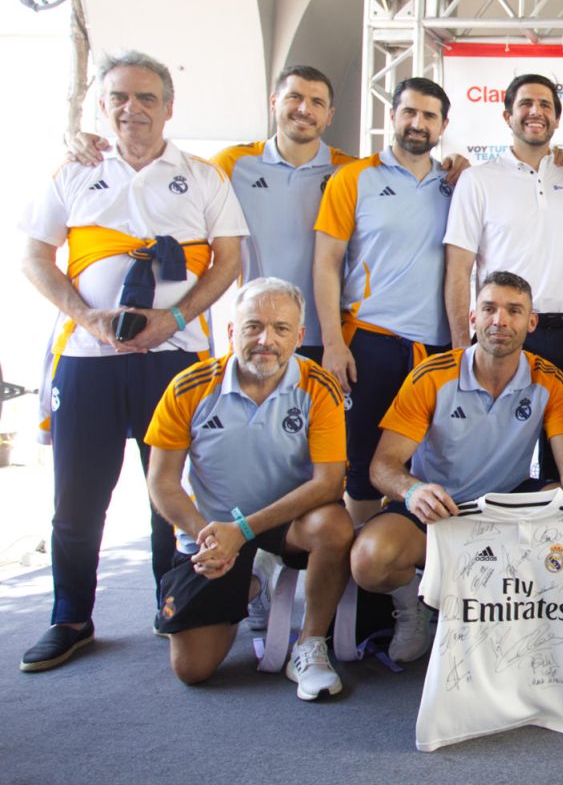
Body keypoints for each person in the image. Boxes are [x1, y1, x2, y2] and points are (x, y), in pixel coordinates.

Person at [19, 51, 247, 672]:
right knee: (78, 497)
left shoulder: (201, 177)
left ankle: (169, 599)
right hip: (88, 357)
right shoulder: (74, 171)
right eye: (120, 97)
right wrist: (85, 316)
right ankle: (70, 616)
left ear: (169, 108)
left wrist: (171, 321)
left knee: (167, 491)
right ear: (102, 105)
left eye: (147, 98)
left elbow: (228, 261)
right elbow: (36, 257)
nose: (133, 109)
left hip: (174, 358)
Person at [350, 271, 563, 663]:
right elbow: (383, 467)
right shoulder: (432, 376)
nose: (500, 321)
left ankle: (534, 615)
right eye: (489, 309)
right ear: (473, 318)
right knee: (369, 560)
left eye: (514, 311)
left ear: (531, 322)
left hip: (506, 508)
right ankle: (414, 606)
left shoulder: (550, 379)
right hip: (437, 511)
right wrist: (413, 490)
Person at [142, 278, 353, 698]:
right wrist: (211, 534)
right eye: (253, 326)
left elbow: (328, 482)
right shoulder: (190, 386)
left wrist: (244, 531)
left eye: (280, 328)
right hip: (213, 532)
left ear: (299, 336)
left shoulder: (319, 386)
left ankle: (309, 645)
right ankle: (253, 579)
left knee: (335, 526)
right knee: (193, 669)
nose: (265, 340)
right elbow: (162, 482)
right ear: (232, 332)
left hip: (285, 523)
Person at [67, 65, 354, 362]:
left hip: (330, 335)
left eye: (317, 102)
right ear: (273, 103)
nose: (304, 109)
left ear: (329, 115)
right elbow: (164, 179)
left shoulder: (350, 172)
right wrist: (85, 143)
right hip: (256, 333)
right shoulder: (233, 163)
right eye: (294, 97)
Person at [313, 77, 455, 523]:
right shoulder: (353, 178)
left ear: (443, 125)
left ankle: (403, 567)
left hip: (433, 350)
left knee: (419, 468)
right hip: (369, 343)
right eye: (409, 112)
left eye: (429, 115)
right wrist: (334, 344)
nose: (418, 123)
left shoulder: (457, 184)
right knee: (361, 466)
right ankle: (363, 579)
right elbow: (325, 265)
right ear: (392, 116)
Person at [444, 74, 563, 482]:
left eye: (546, 105)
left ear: (557, 119)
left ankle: (556, 543)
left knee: (561, 457)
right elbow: (459, 270)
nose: (536, 112)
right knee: (487, 453)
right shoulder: (478, 180)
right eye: (527, 103)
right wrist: (461, 348)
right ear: (507, 114)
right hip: (504, 333)